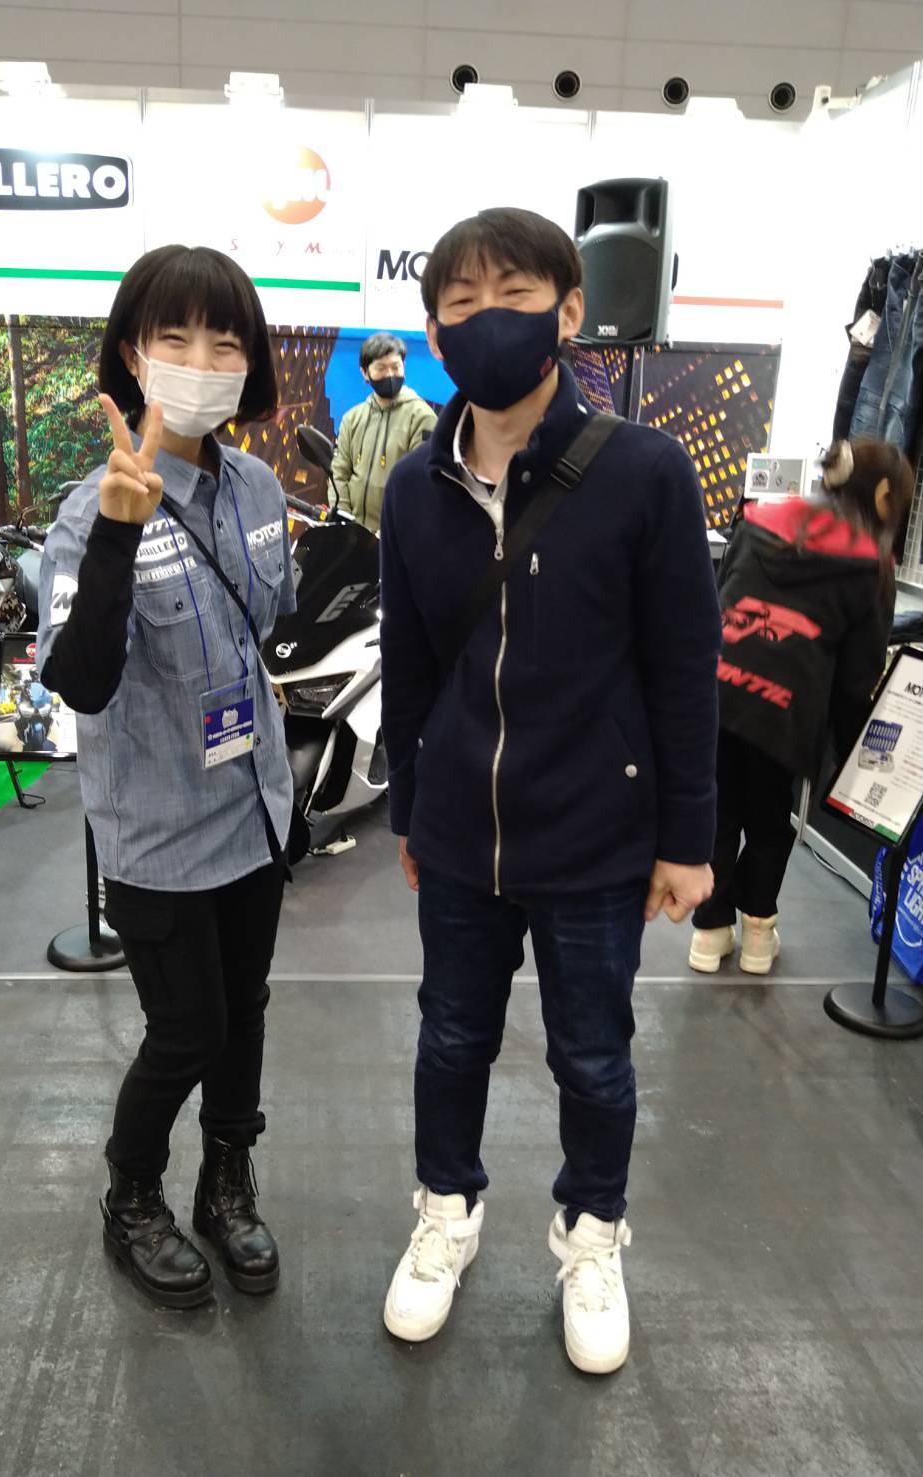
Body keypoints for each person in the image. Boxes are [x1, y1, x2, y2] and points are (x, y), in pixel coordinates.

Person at [377, 207, 721, 1373]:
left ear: (569, 311)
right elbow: (411, 662)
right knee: (449, 1038)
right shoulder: (414, 488)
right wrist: (410, 806)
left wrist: (687, 837)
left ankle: (590, 1234)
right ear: (433, 331)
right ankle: (445, 1211)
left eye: (515, 294)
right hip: (459, 836)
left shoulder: (644, 471)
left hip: (596, 835)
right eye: (461, 302)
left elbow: (683, 664)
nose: (489, 319)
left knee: (594, 1055)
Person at [37, 244, 299, 1309]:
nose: (200, 360)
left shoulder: (259, 487)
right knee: (186, 1028)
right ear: (134, 355)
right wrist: (117, 534)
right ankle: (132, 1193)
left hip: (255, 807)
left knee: (245, 1010)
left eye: (224, 342)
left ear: (249, 364)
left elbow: (266, 626)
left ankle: (226, 1181)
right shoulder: (86, 511)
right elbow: (81, 681)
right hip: (155, 829)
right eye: (174, 337)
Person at [690, 438, 913, 977]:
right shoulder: (870, 565)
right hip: (787, 714)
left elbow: (719, 602)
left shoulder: (758, 522)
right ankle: (758, 932)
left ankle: (709, 933)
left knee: (719, 814)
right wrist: (850, 756)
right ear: (885, 498)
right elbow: (858, 676)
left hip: (718, 695)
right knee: (771, 822)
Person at [331, 332, 437, 533]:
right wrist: (343, 521)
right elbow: (339, 473)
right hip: (353, 536)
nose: (390, 374)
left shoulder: (422, 418)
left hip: (398, 536)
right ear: (365, 373)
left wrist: (390, 533)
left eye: (395, 367)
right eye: (381, 368)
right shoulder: (352, 419)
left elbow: (422, 484)